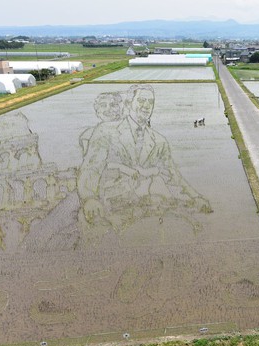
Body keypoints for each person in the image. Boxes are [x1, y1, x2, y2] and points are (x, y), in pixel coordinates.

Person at [77, 84, 211, 242]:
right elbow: (91, 167)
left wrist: (195, 197)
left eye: (150, 102)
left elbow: (173, 175)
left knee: (181, 229)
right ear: (128, 104)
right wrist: (89, 198)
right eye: (141, 100)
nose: (146, 106)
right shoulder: (105, 131)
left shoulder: (159, 141)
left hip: (146, 203)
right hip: (111, 204)